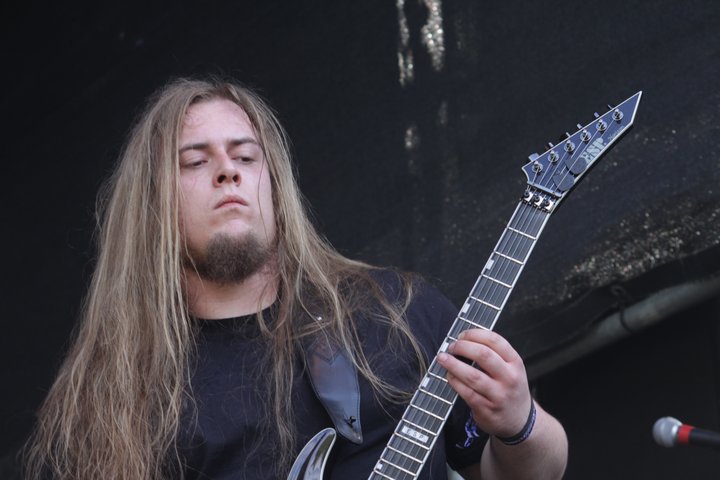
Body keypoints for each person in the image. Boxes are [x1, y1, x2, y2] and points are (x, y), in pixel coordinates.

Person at [23, 76, 568, 479]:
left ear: (276, 184)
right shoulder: (113, 399)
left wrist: (519, 424)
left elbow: (530, 472)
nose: (228, 171)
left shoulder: (398, 310)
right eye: (195, 161)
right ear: (151, 205)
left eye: (246, 156)